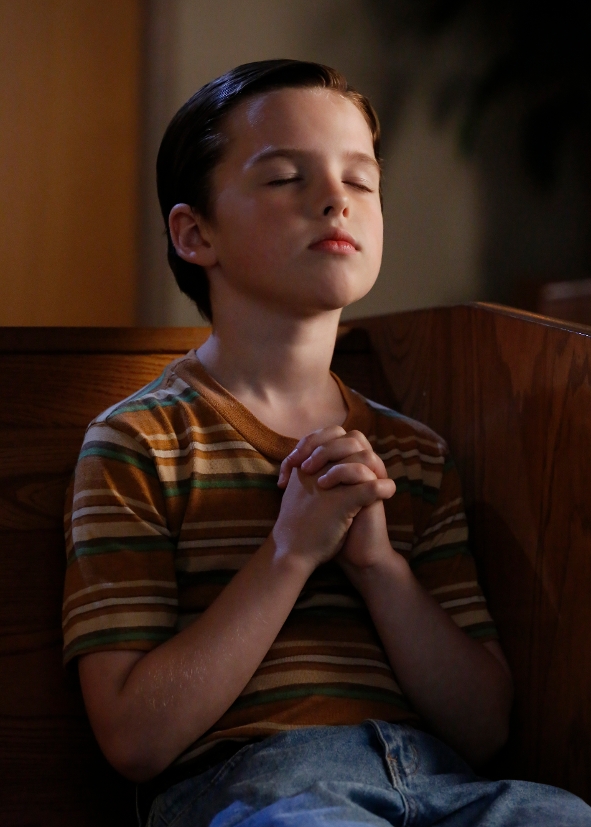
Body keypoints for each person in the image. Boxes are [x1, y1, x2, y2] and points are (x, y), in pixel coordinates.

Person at [62, 59, 591, 826]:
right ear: (195, 233)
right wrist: (290, 552)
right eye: (285, 177)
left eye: (361, 180)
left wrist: (379, 567)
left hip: (442, 783)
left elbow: (483, 726)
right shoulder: (137, 442)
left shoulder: (414, 454)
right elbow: (134, 738)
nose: (336, 199)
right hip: (262, 789)